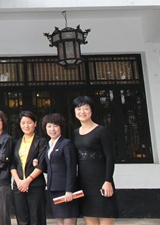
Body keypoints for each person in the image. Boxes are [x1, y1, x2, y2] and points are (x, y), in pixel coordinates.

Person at [73, 96, 119, 224]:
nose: (82, 112)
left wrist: (108, 181)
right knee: (90, 219)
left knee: (106, 217)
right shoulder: (75, 133)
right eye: (78, 109)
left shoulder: (101, 131)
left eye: (85, 108)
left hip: (101, 182)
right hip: (84, 184)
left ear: (91, 111)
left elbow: (110, 158)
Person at [10, 111, 47, 225]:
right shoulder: (17, 142)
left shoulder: (41, 142)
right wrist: (19, 182)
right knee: (22, 219)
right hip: (19, 186)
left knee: (37, 219)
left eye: (29, 123)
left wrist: (27, 181)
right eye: (23, 123)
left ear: (35, 123)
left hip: (35, 185)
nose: (26, 126)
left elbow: (41, 164)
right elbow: (12, 164)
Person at [43, 113, 78, 225]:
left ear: (61, 127)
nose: (52, 129)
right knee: (59, 219)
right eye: (49, 126)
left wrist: (69, 190)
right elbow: (51, 166)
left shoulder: (66, 144)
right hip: (53, 188)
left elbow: (71, 168)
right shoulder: (49, 145)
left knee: (68, 217)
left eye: (55, 126)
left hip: (65, 188)